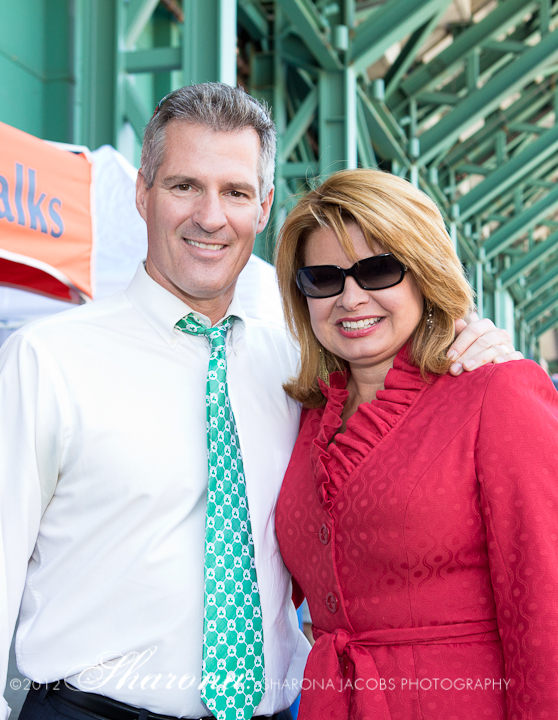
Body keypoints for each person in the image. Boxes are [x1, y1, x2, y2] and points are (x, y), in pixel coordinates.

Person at [0, 83, 518, 720]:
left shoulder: (299, 368)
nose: (211, 216)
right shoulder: (47, 359)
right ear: (142, 193)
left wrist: (476, 344)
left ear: (264, 204)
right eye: (184, 186)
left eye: (236, 192)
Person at [274, 168, 558, 719]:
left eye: (377, 270)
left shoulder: (497, 391)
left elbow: (547, 607)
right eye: (324, 279)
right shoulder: (304, 417)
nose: (350, 298)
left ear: (423, 274)